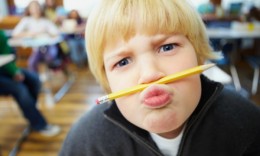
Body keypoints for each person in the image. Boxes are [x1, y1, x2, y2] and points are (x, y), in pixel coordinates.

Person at [60, 0, 260, 155]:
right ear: (108, 83)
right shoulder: (85, 142)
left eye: (167, 47)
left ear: (198, 56)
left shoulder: (247, 123)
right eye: (122, 62)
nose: (150, 74)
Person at [0, 29, 60, 137]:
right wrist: (14, 72)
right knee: (20, 89)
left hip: (5, 68)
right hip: (5, 71)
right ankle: (38, 123)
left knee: (34, 80)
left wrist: (14, 71)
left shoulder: (1, 34)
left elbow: (6, 56)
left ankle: (30, 111)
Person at [12, 0, 60, 72]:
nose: (36, 9)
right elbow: (14, 34)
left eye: (37, 7)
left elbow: (56, 32)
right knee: (31, 63)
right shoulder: (26, 20)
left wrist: (46, 33)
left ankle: (49, 70)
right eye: (33, 8)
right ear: (29, 10)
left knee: (49, 56)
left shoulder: (45, 20)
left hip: (48, 47)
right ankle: (37, 78)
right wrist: (29, 33)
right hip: (35, 48)